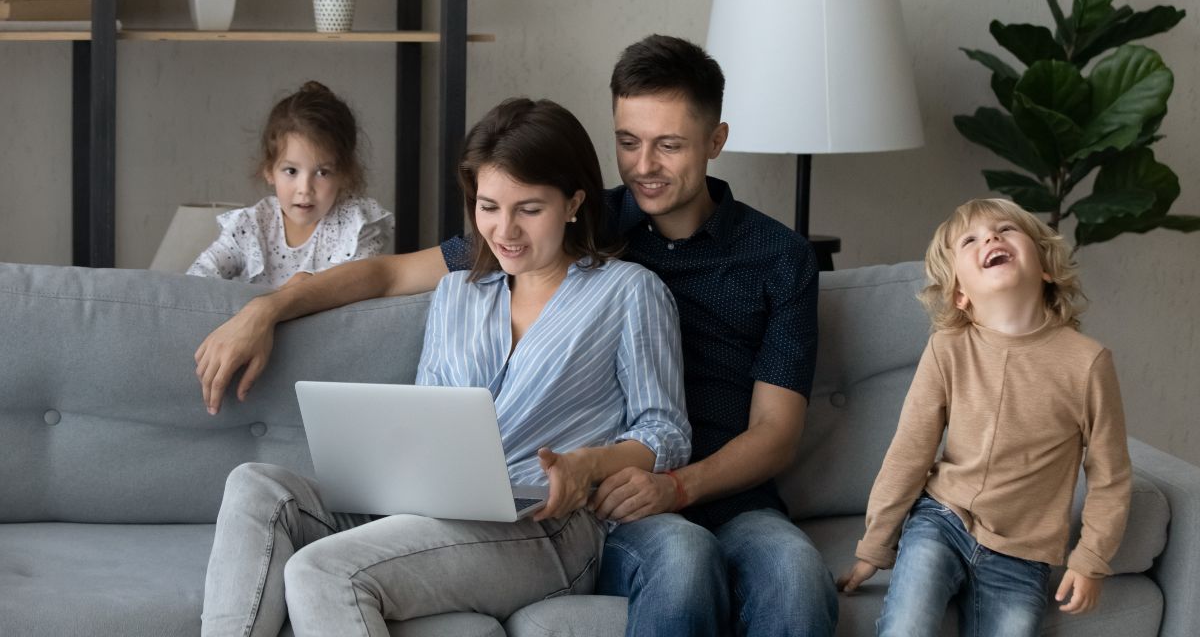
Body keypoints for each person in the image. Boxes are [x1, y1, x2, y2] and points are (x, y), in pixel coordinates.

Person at [194, 35, 837, 636]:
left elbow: (762, 433)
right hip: (509, 504)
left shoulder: (747, 263)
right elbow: (392, 275)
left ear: (715, 140)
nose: (645, 167)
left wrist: (655, 480)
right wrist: (265, 309)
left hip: (649, 497)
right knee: (257, 484)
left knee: (785, 571)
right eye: (629, 142)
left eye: (668, 145)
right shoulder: (531, 244)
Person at [200, 98, 690, 636]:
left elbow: (664, 430)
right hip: (433, 511)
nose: (505, 230)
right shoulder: (457, 294)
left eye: (529, 209)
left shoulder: (629, 292)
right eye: (488, 206)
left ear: (573, 203)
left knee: (322, 571)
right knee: (256, 486)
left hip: (548, 530)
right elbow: (426, 417)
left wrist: (588, 464)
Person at [837, 198, 1132, 636]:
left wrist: (1091, 559)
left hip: (1024, 554)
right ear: (960, 292)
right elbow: (909, 453)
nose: (991, 238)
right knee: (906, 628)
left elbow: (1110, 475)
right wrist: (875, 546)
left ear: (1046, 267)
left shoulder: (1087, 363)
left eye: (1006, 230)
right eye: (970, 240)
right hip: (942, 520)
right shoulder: (947, 349)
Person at [187, 81, 394, 287]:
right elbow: (199, 276)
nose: (305, 189)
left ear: (344, 174)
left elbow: (349, 289)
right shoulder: (252, 225)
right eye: (291, 171)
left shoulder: (357, 226)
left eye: (322, 172)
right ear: (270, 171)